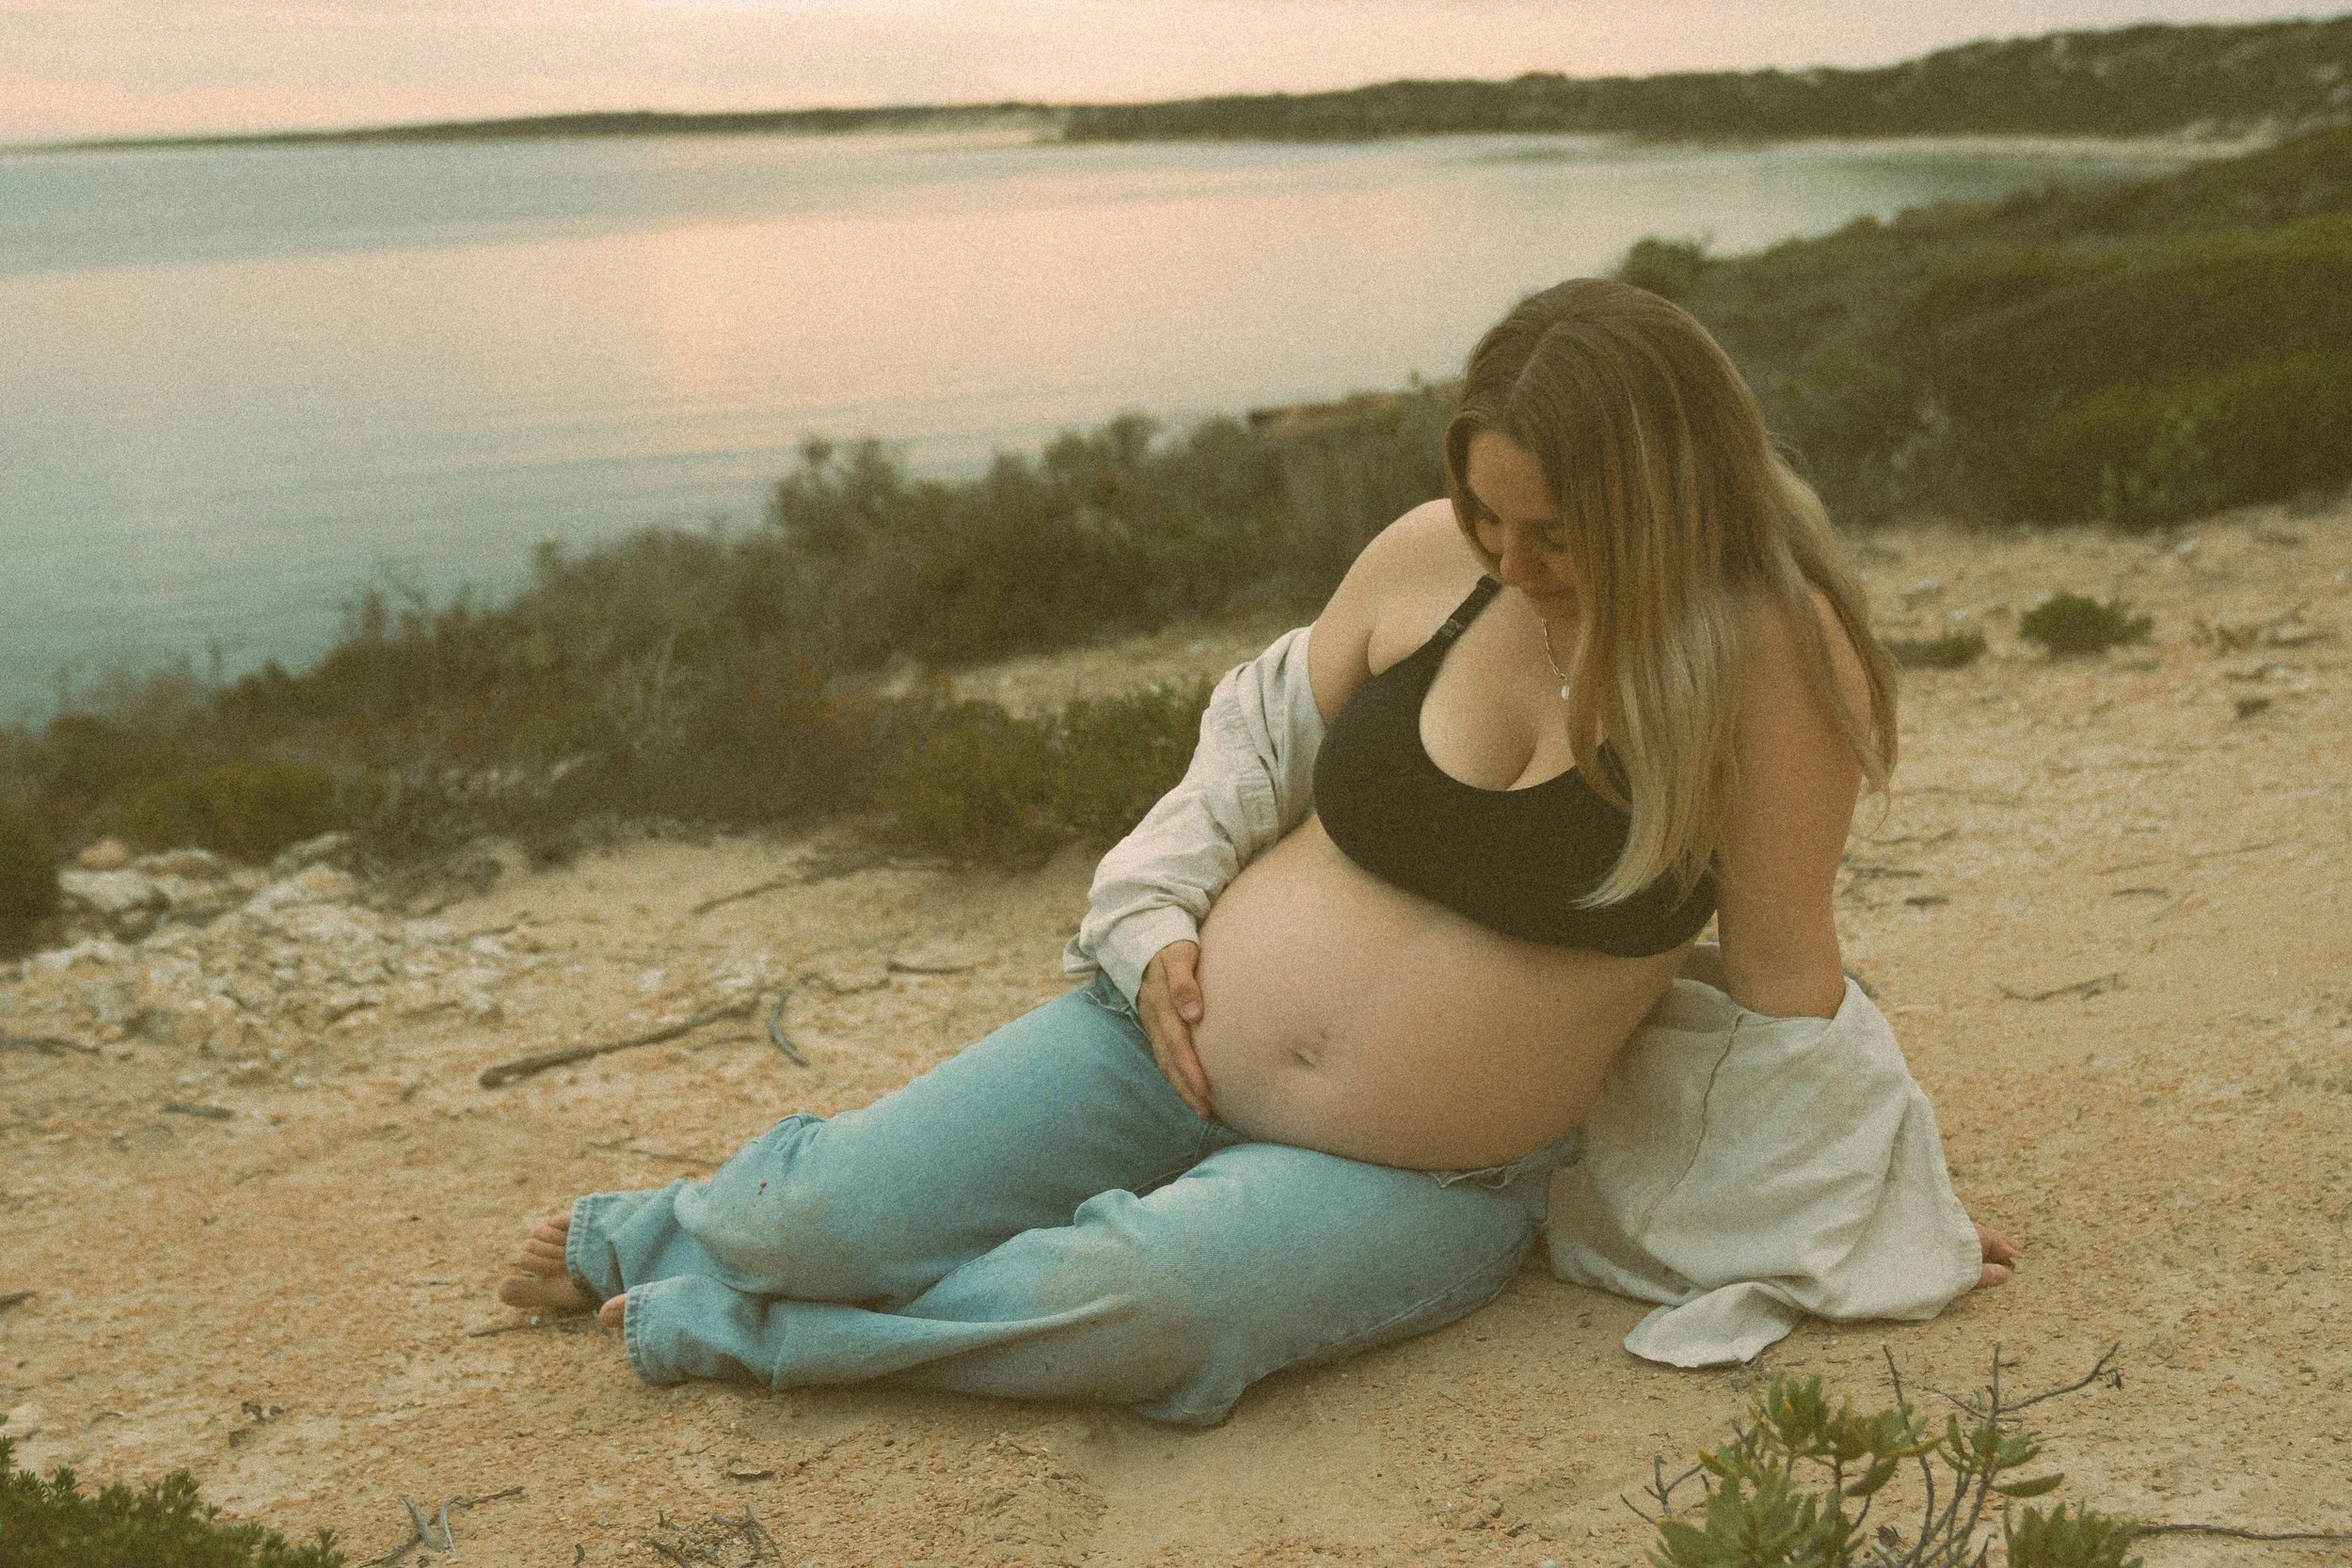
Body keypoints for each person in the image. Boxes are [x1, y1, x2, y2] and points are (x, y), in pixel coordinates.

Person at [497, 278, 2017, 1424]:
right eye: (1493, 514)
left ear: (1672, 498)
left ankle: (743, 1329)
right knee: (815, 1216)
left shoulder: (1767, 662)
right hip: (1161, 1032)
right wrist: (1152, 925)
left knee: (1149, 1305)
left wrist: (1870, 1201)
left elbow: (1778, 963)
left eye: (1558, 531)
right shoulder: (1433, 562)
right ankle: (658, 1233)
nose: (1517, 560)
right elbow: (1246, 751)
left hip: (1422, 1175)